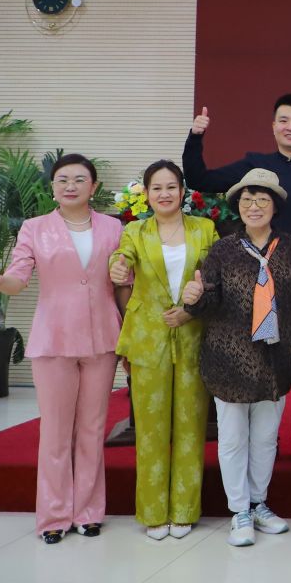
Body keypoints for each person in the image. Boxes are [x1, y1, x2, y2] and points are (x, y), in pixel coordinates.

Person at [184, 93, 291, 466]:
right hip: (252, 272)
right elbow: (201, 179)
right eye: (283, 120)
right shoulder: (256, 165)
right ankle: (259, 433)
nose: (290, 127)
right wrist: (195, 137)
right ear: (273, 126)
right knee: (257, 348)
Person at [0, 155, 122, 544]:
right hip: (54, 338)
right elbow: (19, 277)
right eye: (63, 179)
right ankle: (54, 516)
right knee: (56, 431)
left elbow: (122, 278)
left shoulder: (114, 227)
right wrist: (1, 284)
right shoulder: (35, 228)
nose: (70, 186)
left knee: (92, 428)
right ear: (52, 187)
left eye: (79, 179)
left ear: (94, 187)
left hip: (103, 338)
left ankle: (89, 512)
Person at [182, 169, 291, 547]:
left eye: (262, 200)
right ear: (238, 205)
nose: (254, 206)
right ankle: (238, 510)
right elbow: (209, 300)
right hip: (230, 358)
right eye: (247, 200)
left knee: (266, 438)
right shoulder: (223, 249)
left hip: (276, 358)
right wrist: (194, 298)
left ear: (275, 206)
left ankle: (258, 503)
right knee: (234, 438)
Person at [107, 160, 218, 540]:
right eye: (157, 188)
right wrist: (117, 267)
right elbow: (121, 259)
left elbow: (214, 276)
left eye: (172, 186)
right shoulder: (134, 231)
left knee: (191, 426)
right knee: (151, 429)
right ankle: (153, 513)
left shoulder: (204, 229)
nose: (165, 194)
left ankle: (184, 510)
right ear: (147, 194)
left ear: (183, 191)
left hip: (192, 335)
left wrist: (194, 303)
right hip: (148, 338)